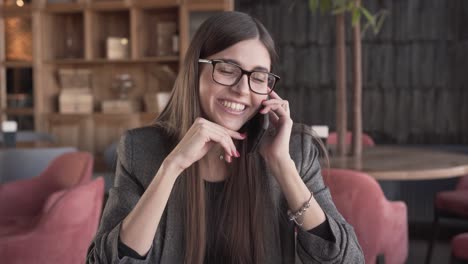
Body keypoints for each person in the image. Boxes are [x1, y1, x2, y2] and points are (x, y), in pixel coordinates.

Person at [87, 11, 363, 264]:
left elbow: (348, 260)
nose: (242, 89)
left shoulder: (294, 149)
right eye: (227, 70)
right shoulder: (141, 149)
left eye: (258, 77)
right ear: (195, 71)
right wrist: (171, 168)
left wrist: (282, 165)